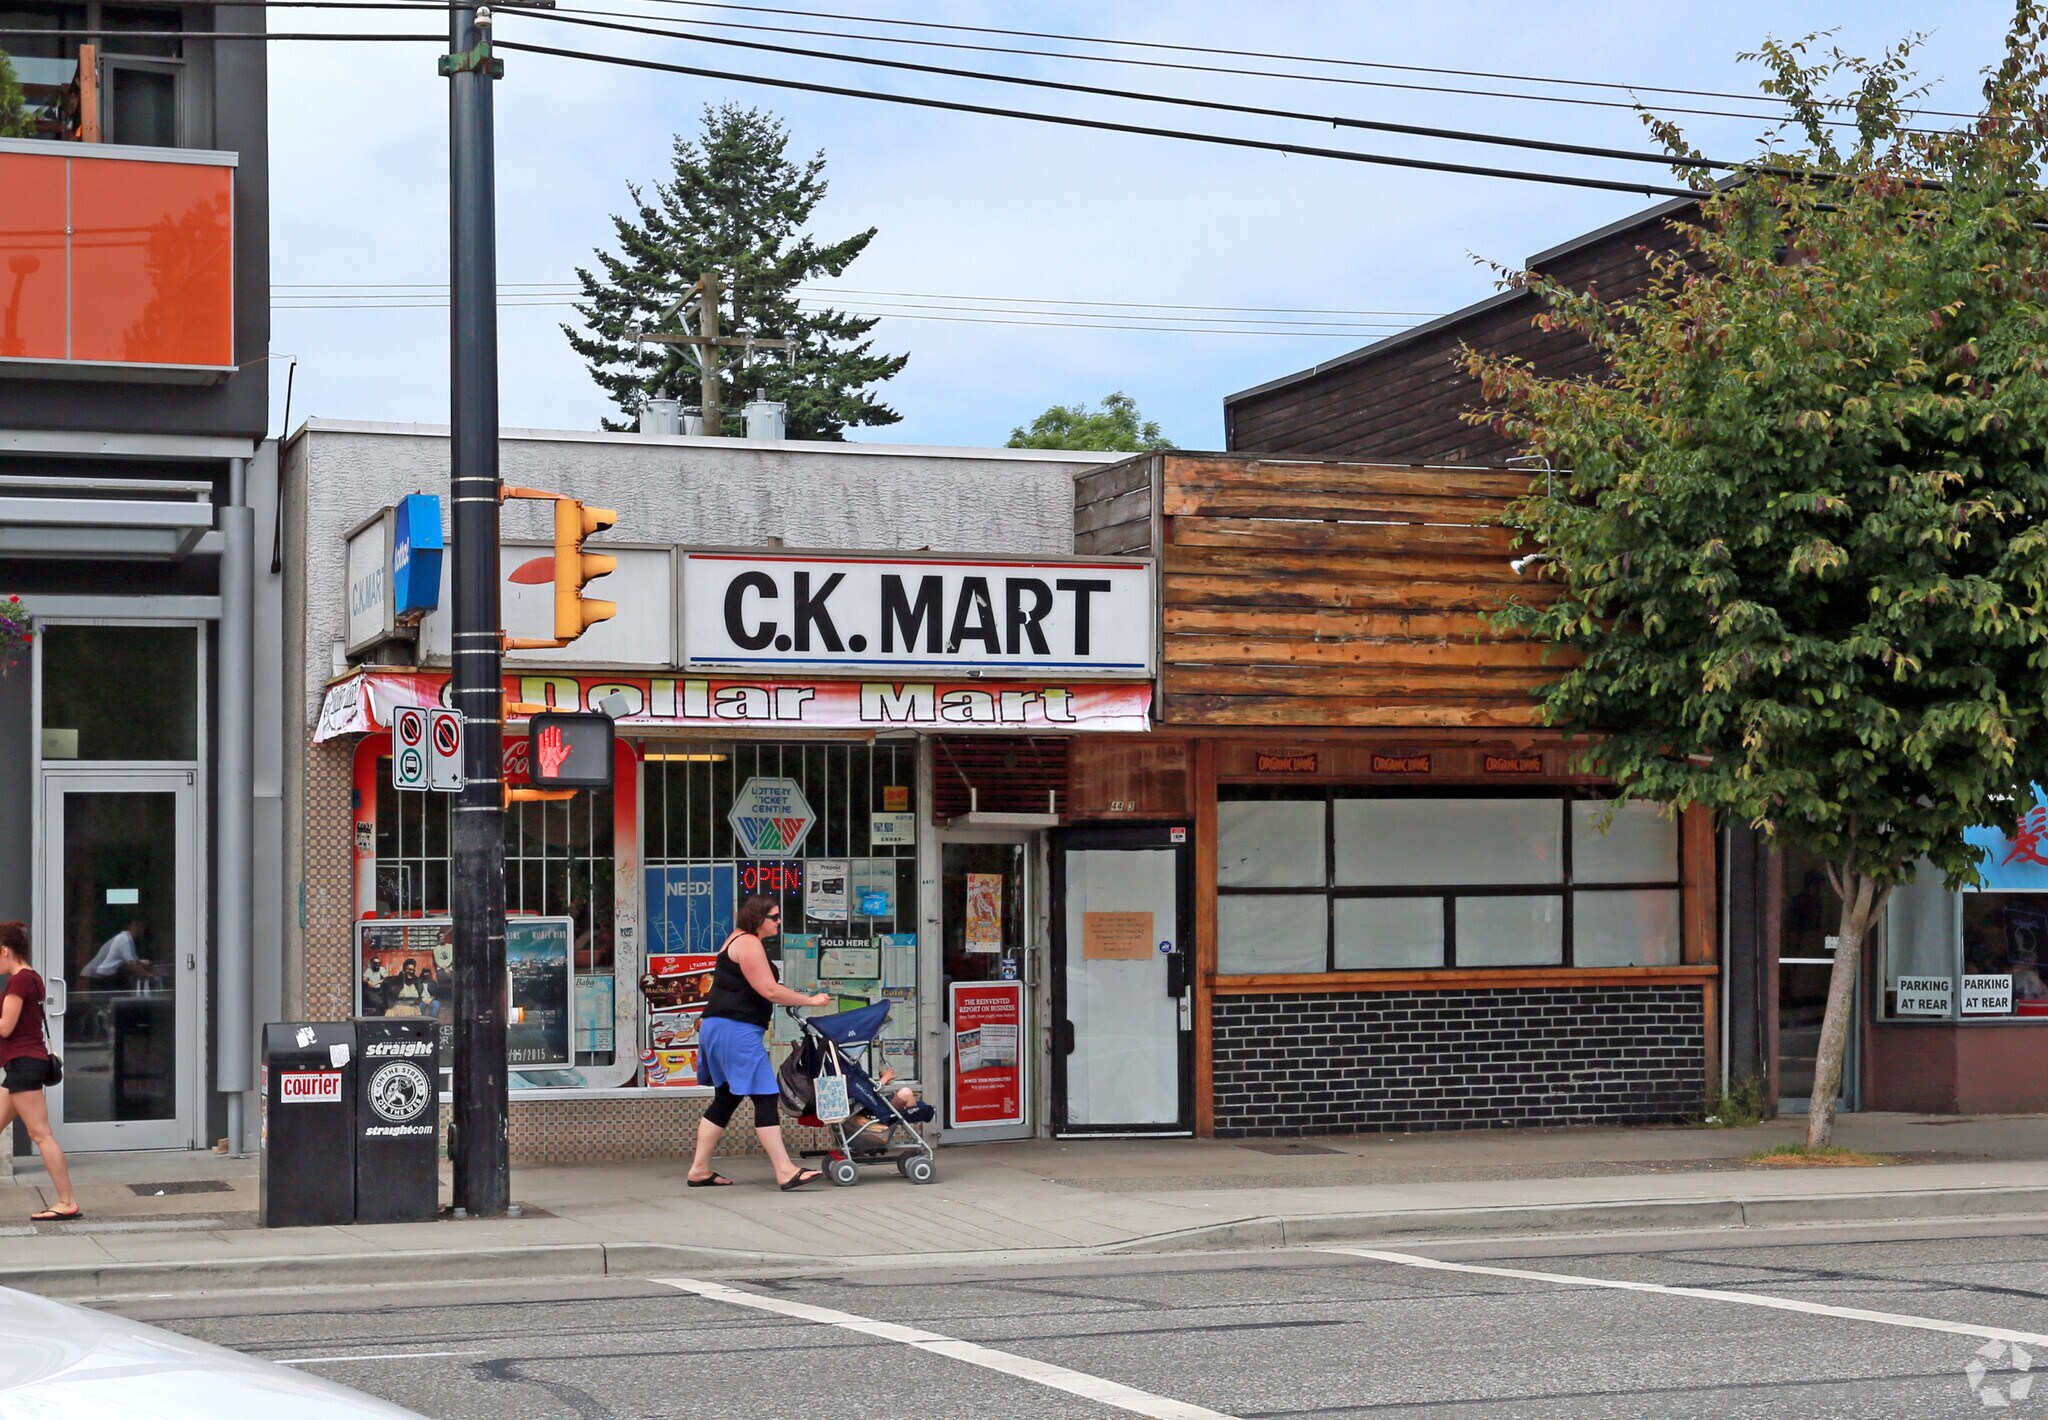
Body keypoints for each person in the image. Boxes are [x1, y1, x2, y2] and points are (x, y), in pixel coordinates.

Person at [685, 894, 832, 1191]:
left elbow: (760, 986)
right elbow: (770, 990)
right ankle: (785, 1170)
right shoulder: (749, 943)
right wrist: (810, 1001)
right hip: (735, 1029)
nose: (779, 921)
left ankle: (699, 1170)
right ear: (757, 918)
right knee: (765, 1096)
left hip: (721, 1028)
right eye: (774, 917)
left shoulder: (737, 939)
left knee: (726, 1098)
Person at [0, 922, 81, 1222]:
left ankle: (67, 1201)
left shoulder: (20, 981)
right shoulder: (32, 977)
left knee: (41, 1134)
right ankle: (67, 1200)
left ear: (5, 951)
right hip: (22, 1064)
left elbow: (5, 1027)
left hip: (24, 1064)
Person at [81, 918, 151, 985]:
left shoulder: (128, 939)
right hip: (100, 975)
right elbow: (131, 964)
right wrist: (148, 975)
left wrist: (149, 967)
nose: (139, 929)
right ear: (128, 927)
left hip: (102, 974)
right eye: (136, 925)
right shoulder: (123, 939)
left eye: (142, 927)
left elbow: (135, 961)